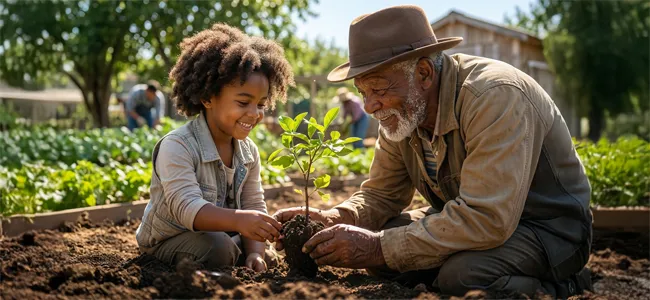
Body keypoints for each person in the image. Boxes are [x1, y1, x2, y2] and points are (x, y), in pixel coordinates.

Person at [273, 5, 592, 298]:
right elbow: (381, 196)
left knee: (462, 275)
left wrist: (377, 248)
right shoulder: (402, 115)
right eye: (363, 93)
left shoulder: (494, 96)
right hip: (471, 219)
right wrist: (333, 218)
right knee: (381, 243)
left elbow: (488, 217)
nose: (370, 106)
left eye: (379, 89)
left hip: (548, 230)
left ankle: (562, 285)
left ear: (424, 73)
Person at [135, 23, 295, 272]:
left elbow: (253, 203)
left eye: (262, 105)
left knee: (265, 255)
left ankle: (241, 254)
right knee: (219, 249)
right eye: (243, 102)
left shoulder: (248, 152)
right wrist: (240, 221)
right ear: (207, 98)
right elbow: (186, 208)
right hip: (168, 239)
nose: (254, 114)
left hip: (220, 233)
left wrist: (256, 253)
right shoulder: (177, 146)